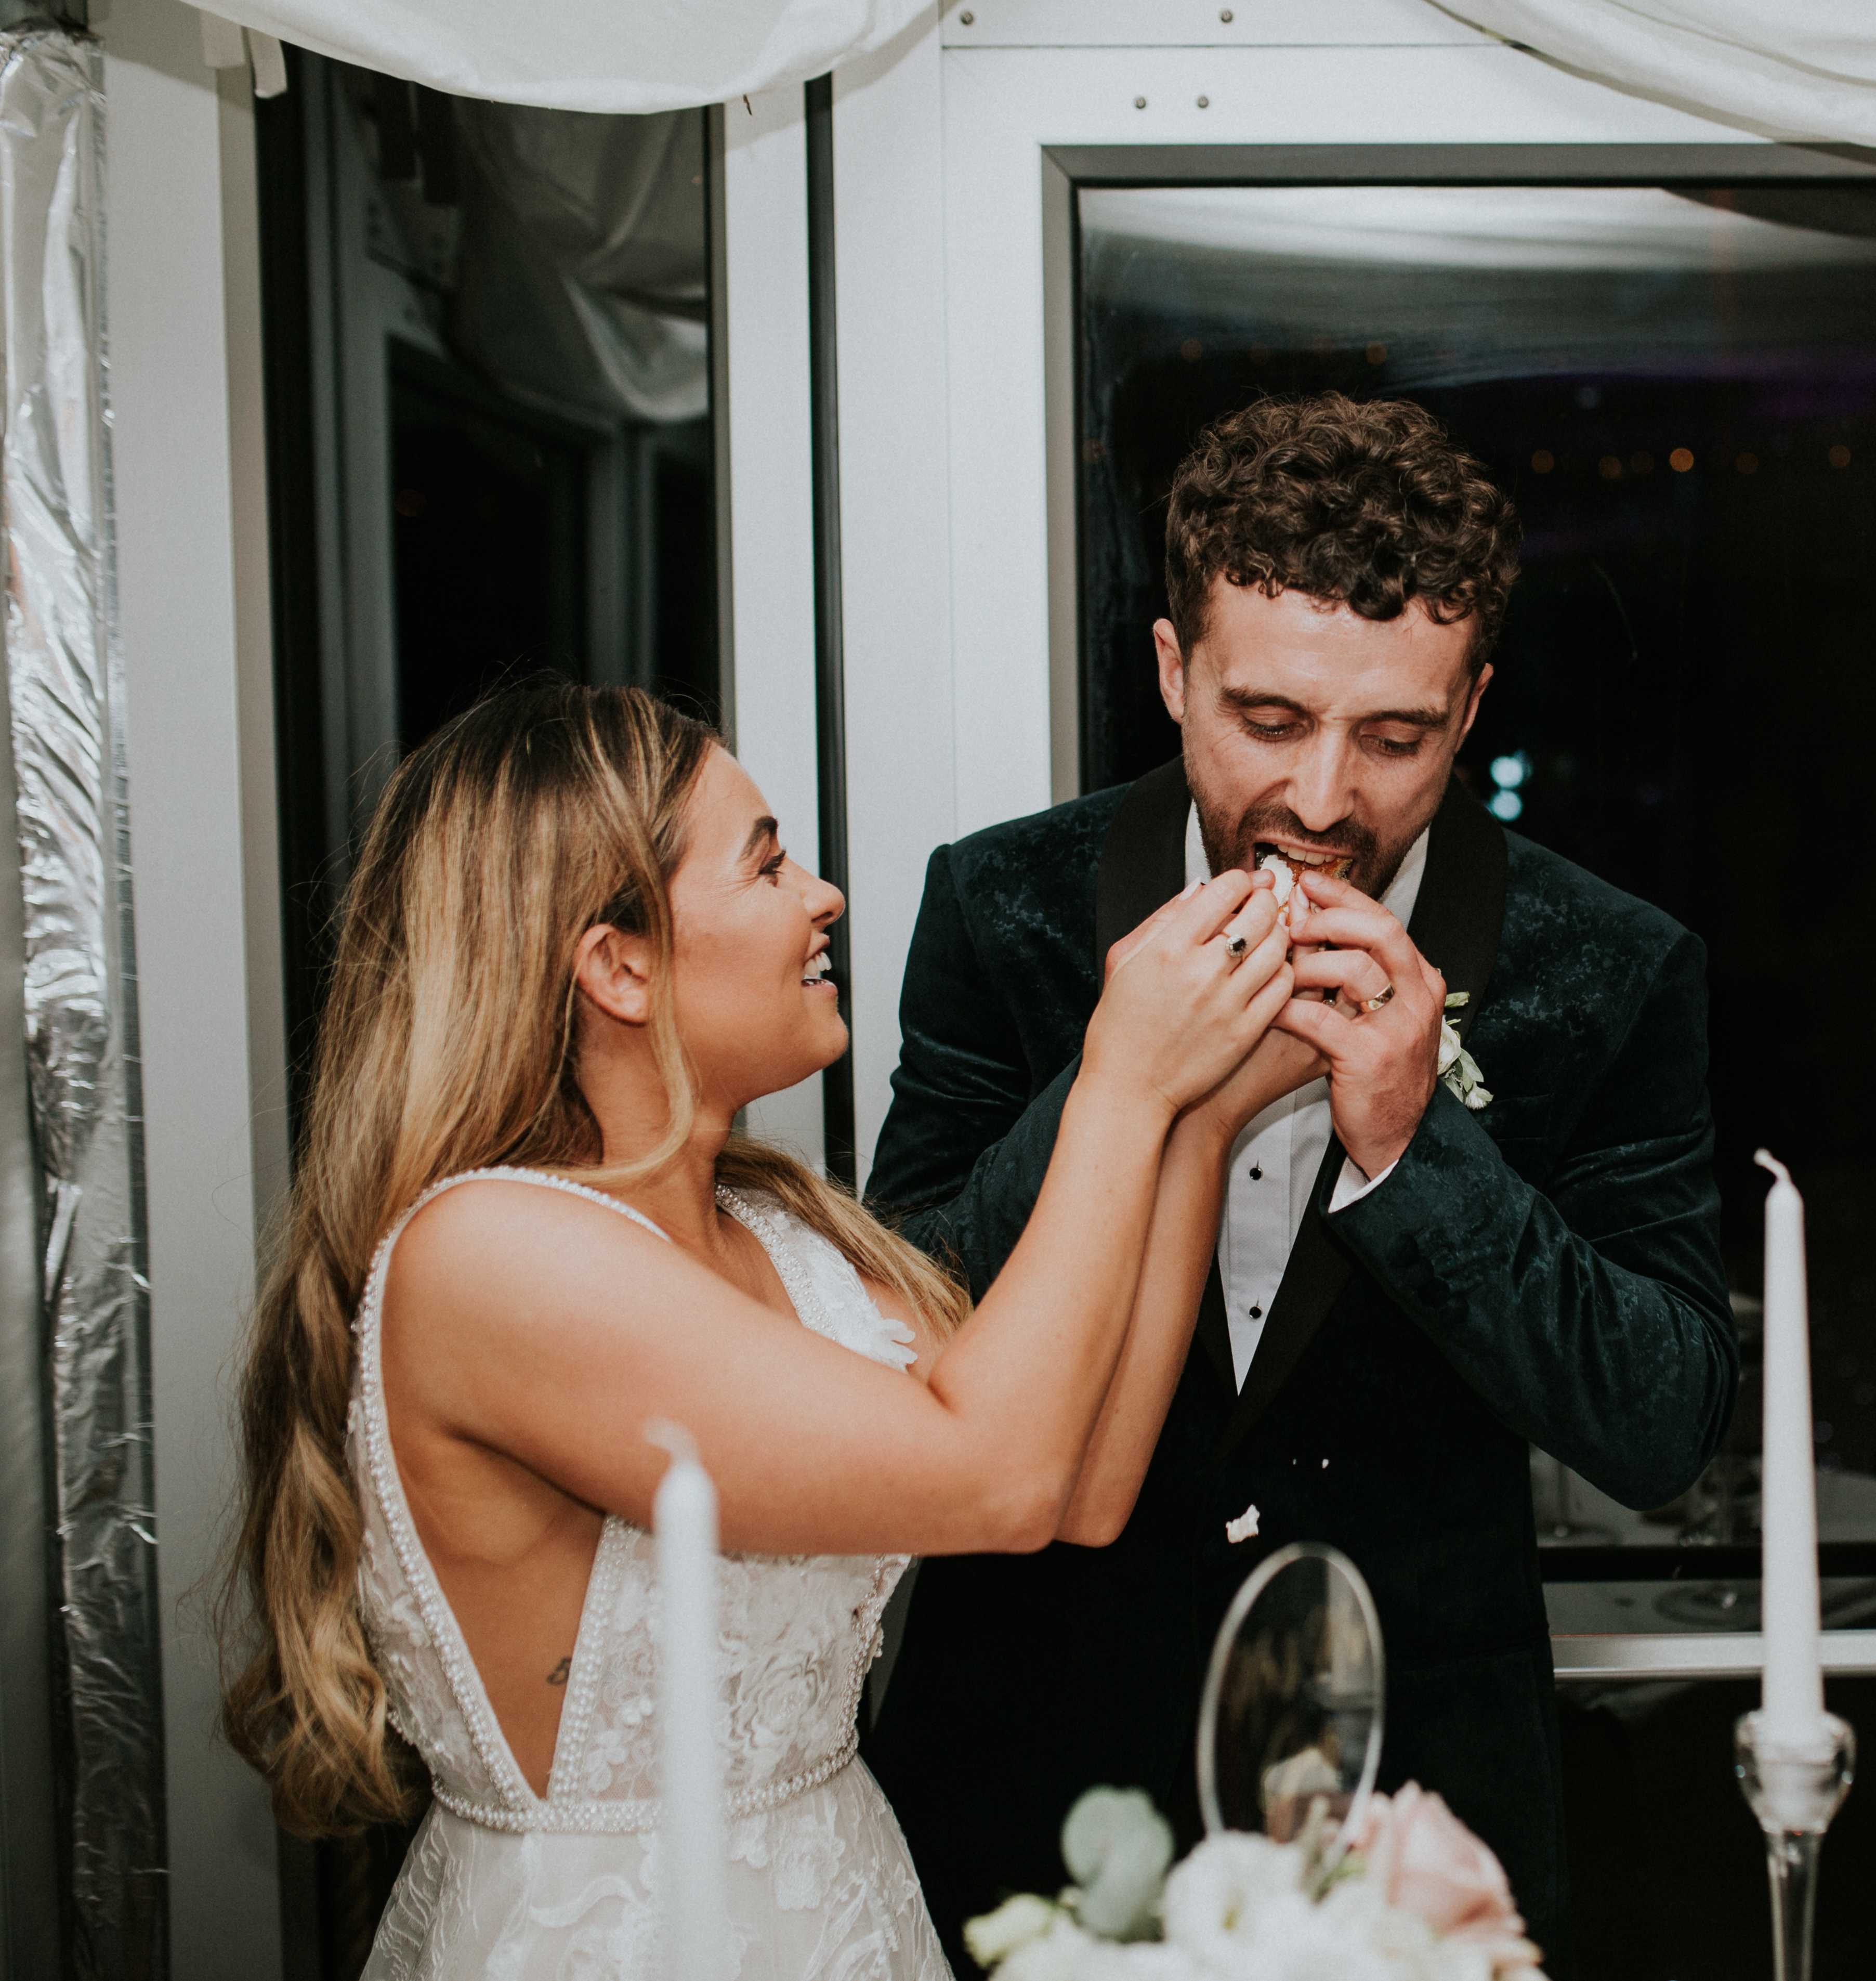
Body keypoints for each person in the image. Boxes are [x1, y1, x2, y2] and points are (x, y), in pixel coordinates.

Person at [217, 683, 1314, 1978]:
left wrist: (1202, 1110)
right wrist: (1121, 1080)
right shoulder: (488, 1254)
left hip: (840, 1910)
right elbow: (996, 1476)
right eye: (768, 862)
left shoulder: (780, 1233)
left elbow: (1076, 1485)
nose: (824, 895)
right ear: (616, 964)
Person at [863, 394, 1738, 1966]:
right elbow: (891, 1328)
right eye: (1267, 720)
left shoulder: (1608, 968)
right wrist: (1124, 1074)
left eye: (1395, 737)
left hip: (1417, 1810)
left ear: (1469, 710)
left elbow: (1660, 1421)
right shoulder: (1002, 909)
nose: (1325, 800)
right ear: (1169, 673)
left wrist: (1418, 1144)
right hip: (1031, 1760)